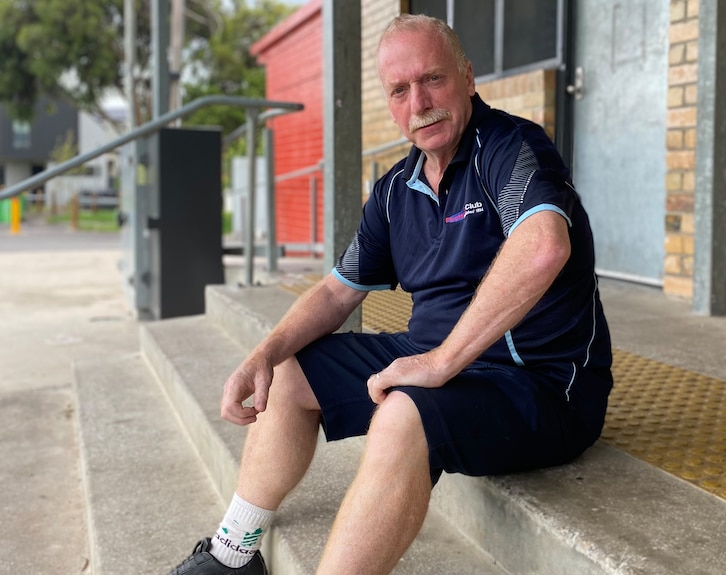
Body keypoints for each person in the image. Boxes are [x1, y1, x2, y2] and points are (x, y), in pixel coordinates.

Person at [169, 13, 613, 575]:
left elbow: (545, 246)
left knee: (403, 413)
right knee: (286, 369)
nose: (419, 101)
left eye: (432, 79)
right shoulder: (394, 191)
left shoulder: (511, 147)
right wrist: (263, 352)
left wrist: (439, 362)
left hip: (541, 385)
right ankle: (234, 553)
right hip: (439, 364)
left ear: (468, 77)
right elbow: (335, 294)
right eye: (399, 90)